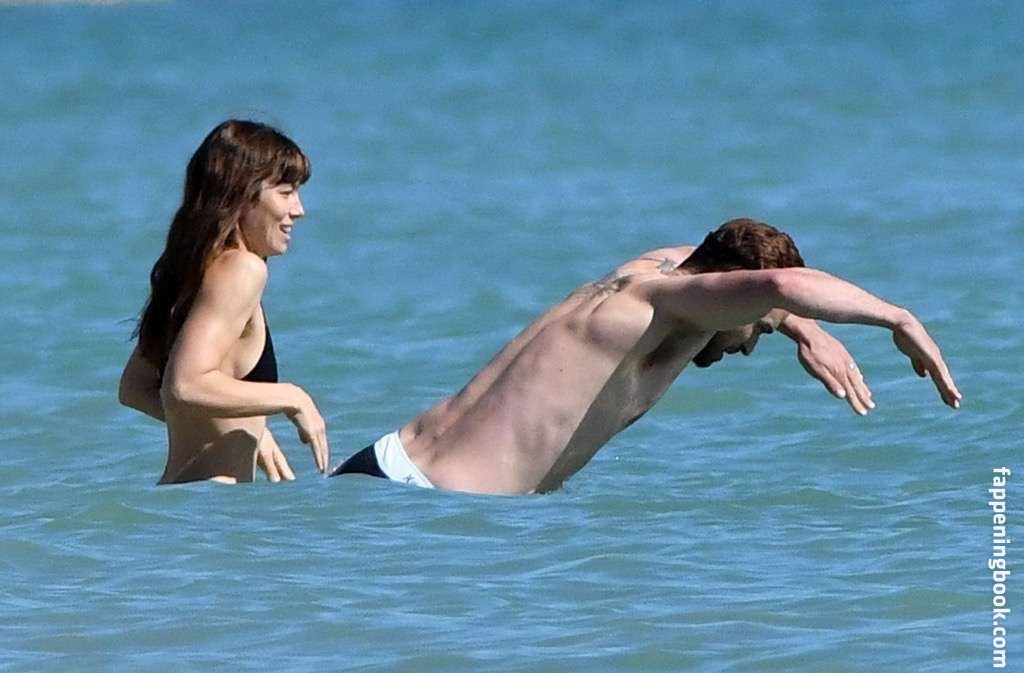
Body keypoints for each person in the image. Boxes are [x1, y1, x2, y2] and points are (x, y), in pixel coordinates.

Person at [331, 218, 961, 495]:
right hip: (428, 507)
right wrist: (899, 318)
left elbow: (732, 270)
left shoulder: (648, 273)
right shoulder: (664, 305)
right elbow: (778, 284)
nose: (749, 345)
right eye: (756, 328)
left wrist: (802, 328)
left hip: (388, 465)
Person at [119, 120, 328, 484]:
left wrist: (243, 427)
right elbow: (185, 385)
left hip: (185, 501)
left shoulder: (195, 269)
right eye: (285, 192)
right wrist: (293, 398)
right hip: (211, 506)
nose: (299, 210)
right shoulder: (242, 270)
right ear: (242, 195)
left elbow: (135, 389)